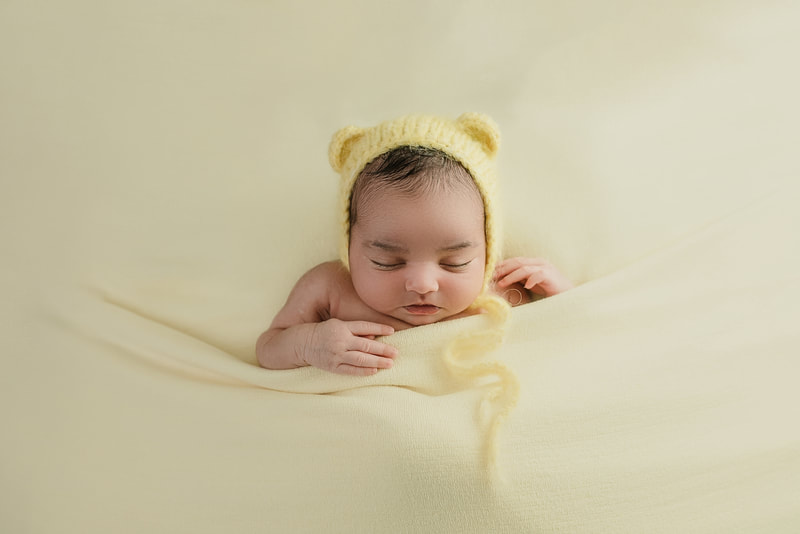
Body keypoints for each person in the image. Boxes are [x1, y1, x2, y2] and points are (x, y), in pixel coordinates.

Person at [256, 113, 572, 376]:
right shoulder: (330, 288)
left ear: (487, 249)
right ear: (349, 245)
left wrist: (564, 299)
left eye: (455, 262)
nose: (422, 284)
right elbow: (269, 347)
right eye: (387, 262)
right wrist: (310, 344)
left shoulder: (505, 290)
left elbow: (571, 344)